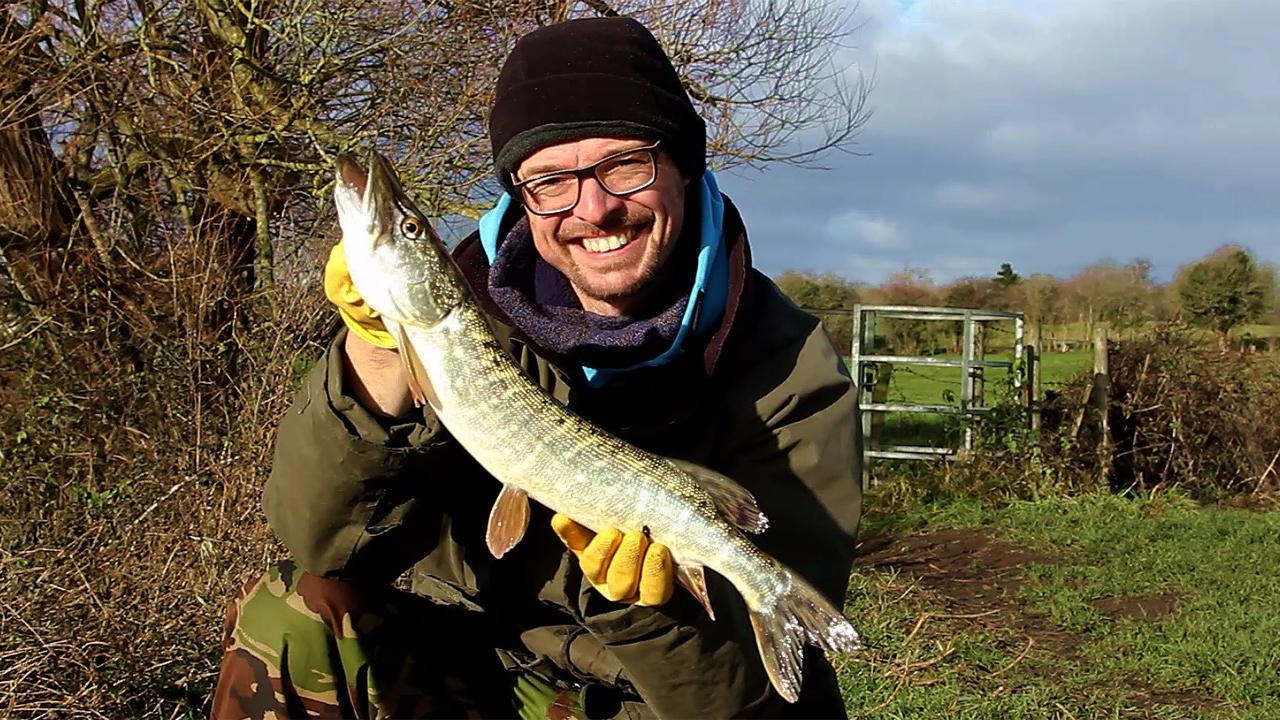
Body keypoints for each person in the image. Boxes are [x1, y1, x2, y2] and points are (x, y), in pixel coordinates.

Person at [211, 16, 862, 720]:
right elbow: (326, 545)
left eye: (626, 164)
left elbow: (742, 702)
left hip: (658, 691)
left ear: (682, 164)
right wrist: (375, 348)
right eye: (551, 179)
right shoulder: (465, 319)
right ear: (519, 197)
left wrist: (642, 613)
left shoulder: (789, 368)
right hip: (487, 659)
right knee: (296, 611)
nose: (596, 207)